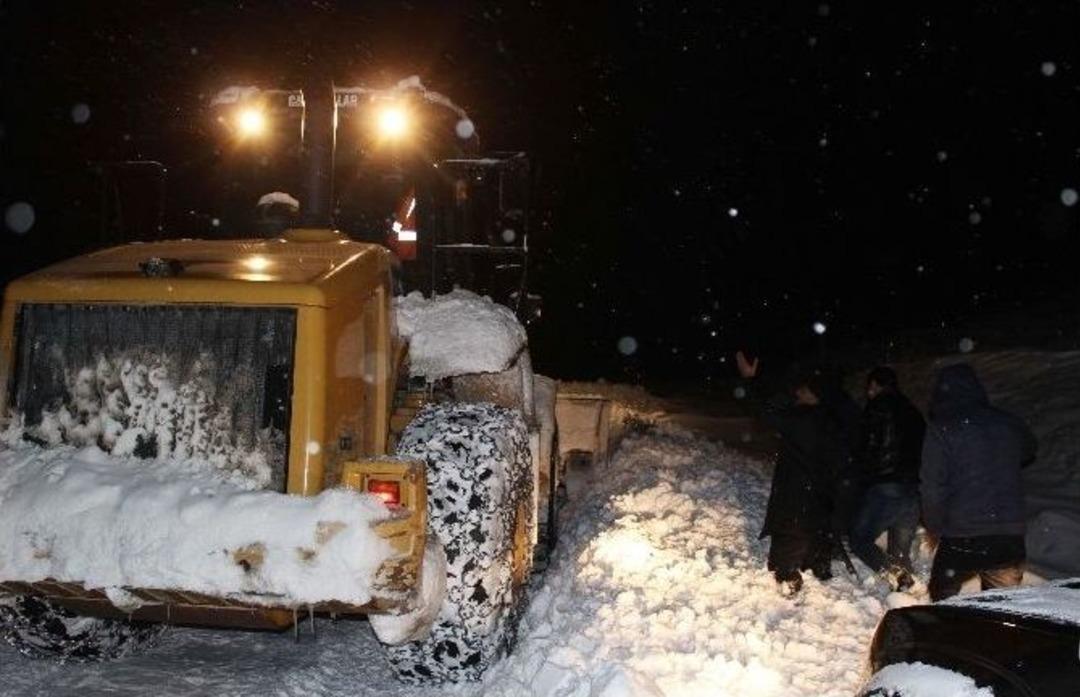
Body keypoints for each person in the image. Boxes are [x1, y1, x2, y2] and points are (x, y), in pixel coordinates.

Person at [921, 363, 1037, 601]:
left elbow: (932, 487)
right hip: (1008, 535)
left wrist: (934, 525)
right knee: (1001, 607)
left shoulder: (942, 428)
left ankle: (948, 622)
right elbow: (1029, 449)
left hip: (963, 535)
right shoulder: (1007, 422)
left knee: (943, 596)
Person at [736, 351, 842, 597]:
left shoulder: (801, 419)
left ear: (814, 394)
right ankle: (816, 564)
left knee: (791, 530)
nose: (799, 392)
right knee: (812, 527)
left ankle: (788, 576)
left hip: (797, 487)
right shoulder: (831, 419)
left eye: (804, 389)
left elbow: (764, 411)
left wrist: (750, 380)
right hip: (822, 490)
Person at [848, 366, 925, 591]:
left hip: (885, 485)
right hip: (912, 488)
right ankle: (905, 593)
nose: (868, 393)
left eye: (870, 388)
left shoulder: (877, 408)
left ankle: (897, 576)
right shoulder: (913, 412)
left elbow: (865, 448)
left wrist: (859, 478)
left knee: (859, 540)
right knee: (899, 552)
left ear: (875, 386)